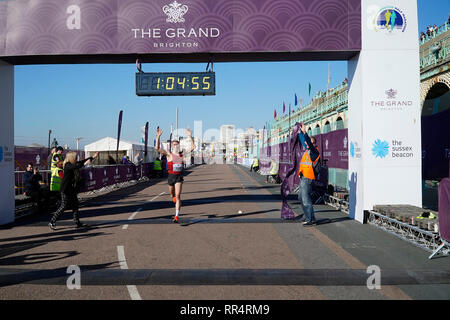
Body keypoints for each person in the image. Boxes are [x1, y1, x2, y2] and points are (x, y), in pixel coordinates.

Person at [48, 152, 99, 230]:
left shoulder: (72, 163)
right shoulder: (67, 165)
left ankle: (77, 222)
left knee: (75, 205)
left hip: (71, 189)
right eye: (75, 157)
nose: (76, 159)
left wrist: (93, 157)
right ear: (71, 158)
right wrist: (84, 164)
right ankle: (52, 221)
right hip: (65, 189)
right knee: (63, 206)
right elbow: (76, 166)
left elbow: (82, 162)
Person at [155, 127, 195, 223]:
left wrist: (190, 136)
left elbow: (193, 147)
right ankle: (172, 196)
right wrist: (158, 136)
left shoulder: (182, 154)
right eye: (174, 144)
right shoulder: (169, 155)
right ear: (172, 146)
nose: (176, 146)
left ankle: (176, 215)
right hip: (171, 177)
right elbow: (157, 148)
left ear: (179, 145)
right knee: (172, 194)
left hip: (179, 178)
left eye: (177, 144)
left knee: (178, 196)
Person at [297, 123, 320, 226]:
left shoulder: (314, 152)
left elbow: (308, 143)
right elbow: (304, 141)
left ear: (314, 143)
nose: (307, 145)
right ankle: (308, 217)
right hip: (303, 177)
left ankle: (311, 219)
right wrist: (300, 132)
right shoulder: (307, 150)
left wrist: (305, 132)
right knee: (300, 198)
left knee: (306, 199)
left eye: (309, 143)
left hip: (308, 178)